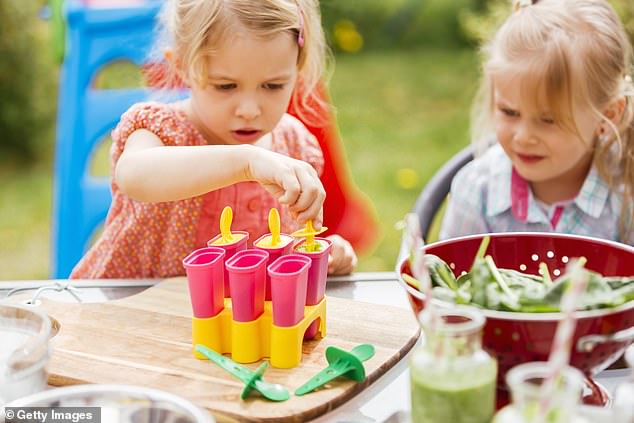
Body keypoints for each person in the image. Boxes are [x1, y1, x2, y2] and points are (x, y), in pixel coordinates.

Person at [71, 0, 357, 279]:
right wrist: (246, 161)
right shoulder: (162, 129)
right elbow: (133, 175)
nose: (249, 110)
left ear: (298, 70)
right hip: (130, 312)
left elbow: (278, 249)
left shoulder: (295, 145)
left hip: (242, 321)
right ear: (183, 67)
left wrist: (320, 254)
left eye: (272, 86)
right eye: (226, 86)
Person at [440, 0, 634, 245]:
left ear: (609, 115)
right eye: (509, 112)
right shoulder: (478, 191)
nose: (523, 136)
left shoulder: (626, 194)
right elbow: (450, 277)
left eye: (548, 120)